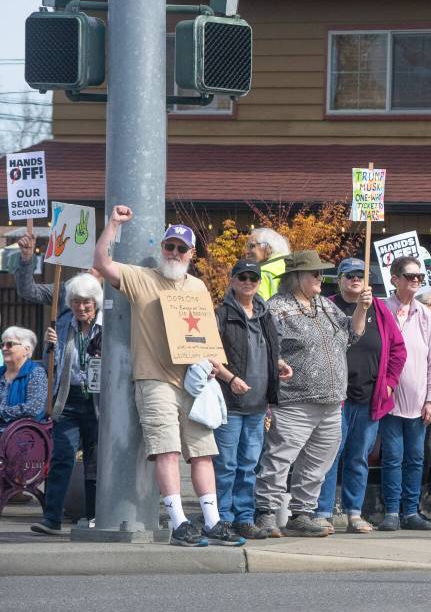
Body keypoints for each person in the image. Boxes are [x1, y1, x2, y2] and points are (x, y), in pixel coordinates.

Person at [92, 210, 243, 546]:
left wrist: (229, 377)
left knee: (203, 452)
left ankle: (213, 521)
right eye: (169, 246)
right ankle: (178, 523)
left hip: (195, 379)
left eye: (180, 248)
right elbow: (102, 262)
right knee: (168, 451)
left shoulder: (199, 286)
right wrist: (114, 225)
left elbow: (207, 338)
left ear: (191, 254)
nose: (173, 253)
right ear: (162, 248)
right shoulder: (141, 277)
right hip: (154, 379)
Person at [254, 250, 369, 537]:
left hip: (331, 402)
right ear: (296, 277)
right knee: (280, 458)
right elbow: (266, 347)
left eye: (320, 273)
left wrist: (362, 309)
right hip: (295, 399)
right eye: (315, 273)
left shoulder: (325, 306)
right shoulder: (277, 307)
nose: (321, 278)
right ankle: (265, 511)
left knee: (318, 461)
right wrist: (278, 362)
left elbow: (352, 335)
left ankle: (303, 513)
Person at [316, 257, 406, 534]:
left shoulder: (379, 309)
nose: (355, 279)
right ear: (339, 279)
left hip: (369, 396)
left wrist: (389, 383)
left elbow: (398, 350)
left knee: (358, 456)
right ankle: (323, 512)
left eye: (360, 275)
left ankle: (354, 513)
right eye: (349, 275)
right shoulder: (327, 307)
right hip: (336, 396)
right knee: (330, 455)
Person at [210, 259, 292, 540]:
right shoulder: (220, 314)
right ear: (232, 281)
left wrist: (279, 363)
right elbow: (209, 355)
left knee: (248, 465)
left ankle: (244, 518)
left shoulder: (266, 315)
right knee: (226, 465)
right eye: (242, 277)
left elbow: (272, 349)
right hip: (229, 404)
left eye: (253, 278)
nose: (248, 282)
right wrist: (230, 379)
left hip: (258, 404)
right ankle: (222, 518)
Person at [30, 275, 103, 536]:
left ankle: (94, 516)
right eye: (75, 302)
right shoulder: (63, 324)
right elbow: (56, 361)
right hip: (68, 399)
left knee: (95, 461)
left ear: (95, 302)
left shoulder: (107, 327)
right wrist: (51, 346)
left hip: (97, 402)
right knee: (62, 457)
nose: (81, 308)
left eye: (86, 303)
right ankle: (52, 518)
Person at [380, 256, 431, 531]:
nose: (416, 280)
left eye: (420, 276)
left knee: (415, 458)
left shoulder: (426, 315)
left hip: (418, 403)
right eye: (410, 276)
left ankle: (410, 511)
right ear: (395, 279)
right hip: (389, 400)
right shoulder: (382, 309)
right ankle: (391, 511)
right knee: (393, 456)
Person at [14, 228, 101, 308]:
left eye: (93, 263)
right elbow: (28, 291)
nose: (87, 267)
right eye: (84, 263)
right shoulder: (65, 290)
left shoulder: (112, 294)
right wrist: (26, 257)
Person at [0, 327, 46, 431]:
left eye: (9, 344)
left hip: (20, 434)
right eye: (2, 345)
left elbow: (33, 408)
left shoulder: (35, 372)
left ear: (27, 349)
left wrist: (2, 412)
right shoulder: (0, 372)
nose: (4, 348)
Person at [245, 228, 291, 301]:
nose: (247, 251)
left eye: (252, 246)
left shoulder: (262, 273)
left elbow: (258, 309)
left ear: (267, 247)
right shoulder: (291, 266)